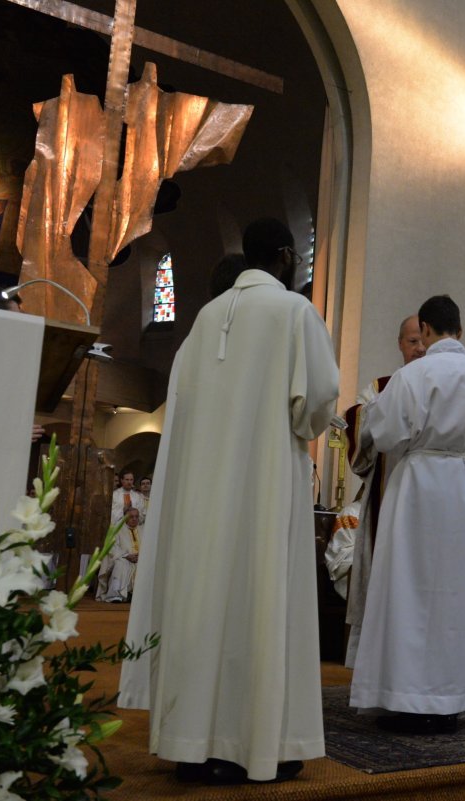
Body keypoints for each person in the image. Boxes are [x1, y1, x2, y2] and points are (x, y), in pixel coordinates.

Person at [126, 217, 340, 784]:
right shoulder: (295, 312)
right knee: (261, 602)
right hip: (265, 481)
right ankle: (261, 745)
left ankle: (195, 742)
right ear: (287, 256)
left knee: (206, 603)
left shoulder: (207, 316)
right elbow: (317, 399)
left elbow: (186, 400)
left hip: (205, 488)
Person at [349, 295, 465, 734]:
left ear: (427, 328)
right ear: (459, 329)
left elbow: (381, 433)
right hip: (461, 486)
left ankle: (407, 698)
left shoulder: (412, 375)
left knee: (410, 590)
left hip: (417, 484)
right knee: (456, 594)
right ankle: (450, 699)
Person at [340, 314, 426, 666]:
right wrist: (386, 403)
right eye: (412, 341)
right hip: (388, 502)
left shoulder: (444, 383)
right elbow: (357, 420)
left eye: (425, 341)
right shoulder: (382, 387)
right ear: (399, 344)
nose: (419, 349)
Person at [96, 507, 141, 602]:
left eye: (136, 517)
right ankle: (116, 595)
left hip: (140, 559)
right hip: (123, 558)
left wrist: (141, 556)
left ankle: (135, 595)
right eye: (131, 517)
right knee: (121, 565)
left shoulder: (143, 530)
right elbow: (111, 547)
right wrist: (126, 556)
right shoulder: (117, 529)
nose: (134, 519)